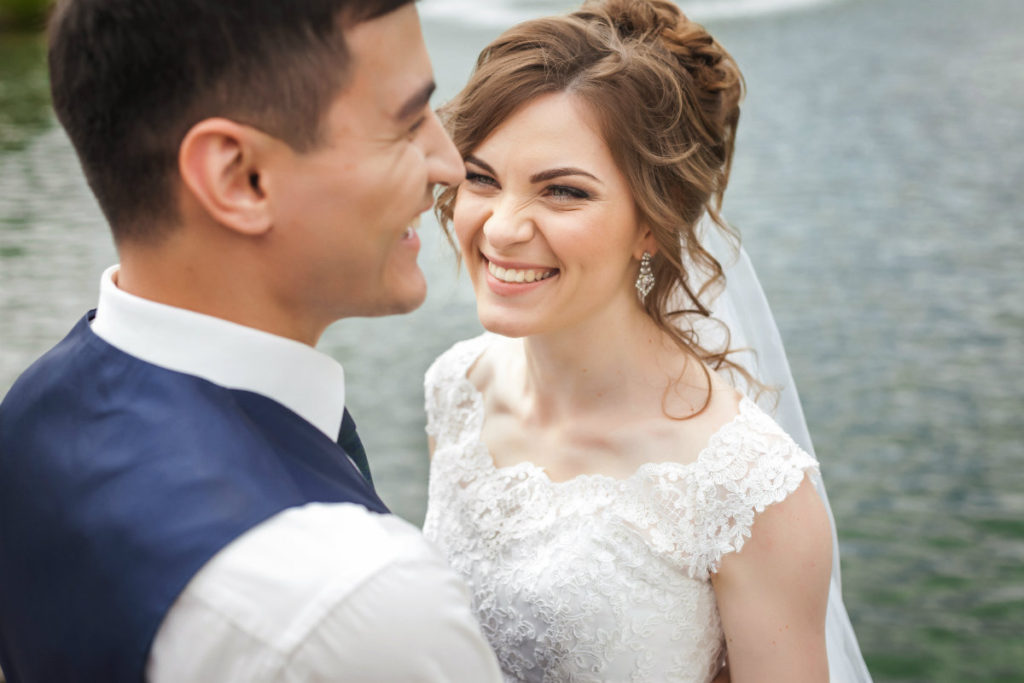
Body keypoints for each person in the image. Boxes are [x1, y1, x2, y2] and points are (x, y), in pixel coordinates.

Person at [0, 1, 503, 681]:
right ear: (241, 177)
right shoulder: (355, 599)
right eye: (408, 121)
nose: (448, 163)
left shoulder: (31, 411)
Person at [422, 0, 871, 681]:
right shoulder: (457, 388)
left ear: (652, 224)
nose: (501, 228)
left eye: (563, 192)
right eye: (482, 177)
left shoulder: (748, 489)